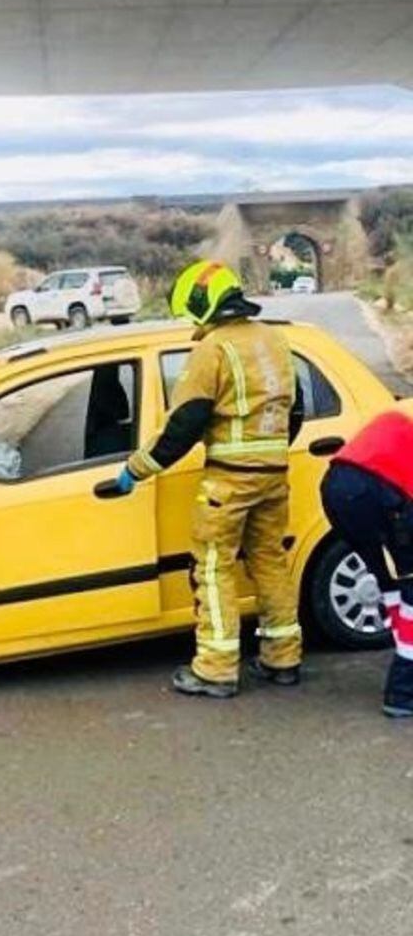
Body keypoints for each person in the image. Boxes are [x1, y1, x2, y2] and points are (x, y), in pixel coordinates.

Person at [117, 260, 304, 698]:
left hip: (229, 481)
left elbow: (185, 423)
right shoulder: (275, 340)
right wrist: (268, 452)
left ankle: (216, 668)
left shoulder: (213, 349)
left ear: (202, 303)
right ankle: (284, 658)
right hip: (274, 475)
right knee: (269, 560)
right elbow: (294, 411)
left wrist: (137, 468)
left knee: (214, 566)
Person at [320, 411, 413, 717]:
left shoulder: (400, 412)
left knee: (390, 582)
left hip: (335, 487)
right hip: (378, 490)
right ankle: (402, 692)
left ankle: (403, 658)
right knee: (410, 587)